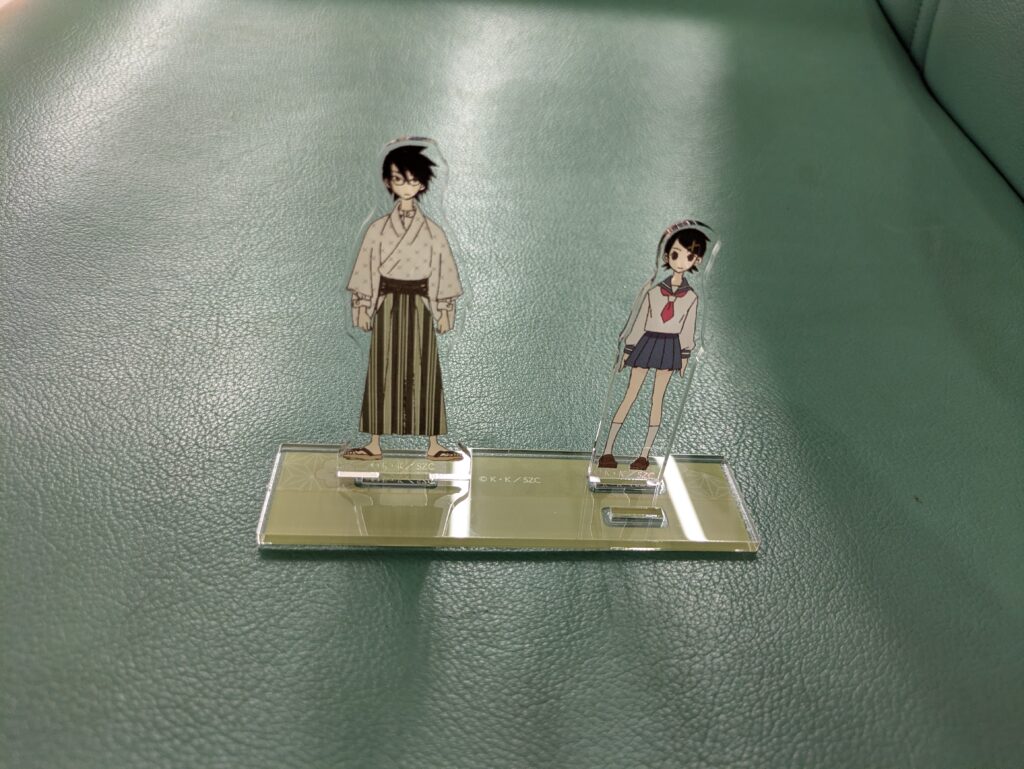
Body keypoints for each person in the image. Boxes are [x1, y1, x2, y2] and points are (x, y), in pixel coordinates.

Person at [343, 142, 463, 461]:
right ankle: (374, 441)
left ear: (422, 184)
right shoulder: (378, 229)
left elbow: (443, 269)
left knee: (425, 369)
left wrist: (444, 309)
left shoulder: (433, 231)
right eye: (398, 179)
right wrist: (363, 306)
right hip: (388, 304)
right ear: (388, 181)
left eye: (412, 180)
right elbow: (367, 266)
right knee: (382, 368)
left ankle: (434, 443)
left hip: (420, 304)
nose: (405, 186)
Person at [598, 225, 707, 470]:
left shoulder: (691, 298)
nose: (681, 261)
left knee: (658, 399)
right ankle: (607, 450)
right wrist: (627, 350)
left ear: (697, 260)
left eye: (689, 256)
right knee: (630, 394)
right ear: (667, 256)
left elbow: (688, 328)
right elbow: (639, 322)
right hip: (647, 342)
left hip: (670, 347)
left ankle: (644, 455)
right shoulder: (654, 292)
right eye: (676, 254)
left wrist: (685, 356)